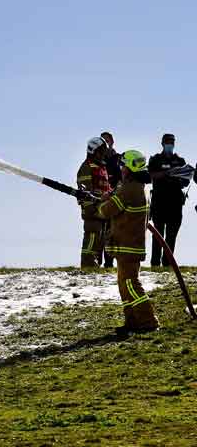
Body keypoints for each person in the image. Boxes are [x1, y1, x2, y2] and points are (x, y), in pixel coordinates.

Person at [98, 150, 160, 336]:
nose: (121, 168)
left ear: (130, 168)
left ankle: (148, 321)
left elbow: (106, 211)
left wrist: (102, 202)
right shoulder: (137, 187)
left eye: (123, 165)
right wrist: (110, 197)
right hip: (127, 245)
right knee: (124, 286)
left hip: (127, 246)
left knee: (131, 285)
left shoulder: (129, 189)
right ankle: (132, 321)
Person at [149, 134, 188, 266]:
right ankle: (155, 263)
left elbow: (185, 181)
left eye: (172, 142)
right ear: (162, 143)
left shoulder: (180, 161)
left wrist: (179, 176)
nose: (169, 144)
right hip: (159, 203)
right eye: (167, 142)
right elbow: (151, 175)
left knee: (171, 236)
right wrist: (166, 173)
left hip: (175, 203)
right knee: (158, 235)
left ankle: (167, 264)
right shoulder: (155, 160)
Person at [77, 136, 113, 268]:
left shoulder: (101, 167)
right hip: (92, 211)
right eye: (100, 151)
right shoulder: (87, 167)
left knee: (100, 239)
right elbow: (85, 191)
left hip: (102, 211)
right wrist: (92, 208)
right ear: (93, 150)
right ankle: (87, 265)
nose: (102, 154)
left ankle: (95, 264)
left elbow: (105, 187)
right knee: (92, 239)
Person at [100, 132, 122, 268]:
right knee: (100, 233)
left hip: (114, 201)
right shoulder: (98, 160)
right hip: (100, 200)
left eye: (107, 141)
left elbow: (122, 179)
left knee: (112, 232)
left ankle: (109, 262)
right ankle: (98, 262)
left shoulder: (118, 159)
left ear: (112, 141)